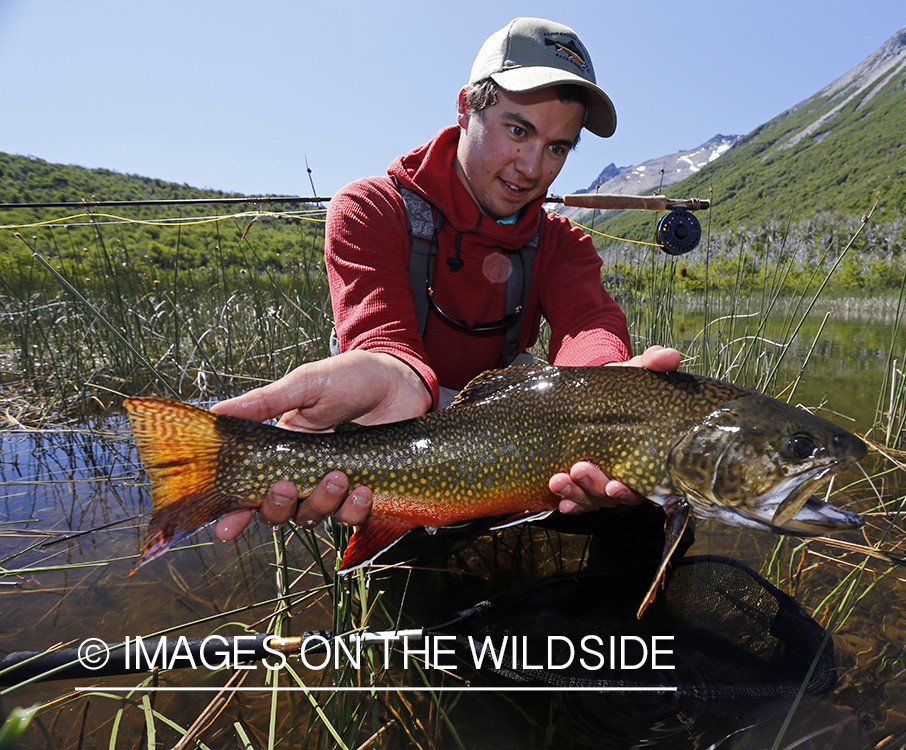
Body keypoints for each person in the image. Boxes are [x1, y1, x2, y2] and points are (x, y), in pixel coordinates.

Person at [210, 17, 680, 542]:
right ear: (465, 108)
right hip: (391, 436)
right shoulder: (370, 209)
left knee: (642, 510)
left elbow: (590, 323)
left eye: (557, 148)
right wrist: (397, 375)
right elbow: (383, 340)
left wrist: (610, 390)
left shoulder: (561, 242)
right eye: (518, 129)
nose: (532, 167)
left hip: (513, 443)